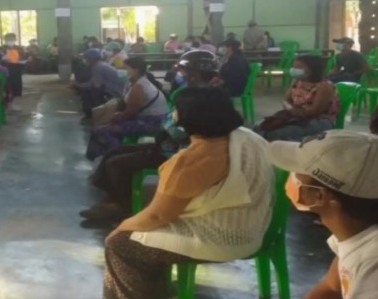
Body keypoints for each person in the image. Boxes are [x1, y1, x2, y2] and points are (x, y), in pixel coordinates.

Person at [102, 86, 274, 299]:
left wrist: (119, 228)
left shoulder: (192, 161)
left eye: (176, 110)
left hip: (221, 239)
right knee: (143, 241)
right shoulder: (248, 137)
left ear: (187, 118)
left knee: (120, 245)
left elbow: (156, 216)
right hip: (254, 228)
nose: (172, 114)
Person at [267, 130, 378, 299]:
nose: (291, 176)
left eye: (296, 171)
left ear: (320, 196)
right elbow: (331, 288)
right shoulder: (359, 228)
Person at [85, 57, 168, 160]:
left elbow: (130, 113)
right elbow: (125, 104)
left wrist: (115, 118)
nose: (121, 71)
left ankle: (116, 155)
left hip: (152, 122)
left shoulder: (139, 86)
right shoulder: (130, 83)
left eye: (125, 68)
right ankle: (103, 157)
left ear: (136, 70)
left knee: (101, 131)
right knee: (106, 126)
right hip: (142, 118)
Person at [255, 55, 338, 142]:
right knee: (259, 127)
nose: (294, 70)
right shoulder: (297, 81)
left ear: (312, 69)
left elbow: (315, 111)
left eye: (299, 67)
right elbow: (286, 101)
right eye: (293, 67)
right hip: (296, 116)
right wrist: (292, 110)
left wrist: (295, 112)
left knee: (275, 134)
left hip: (319, 120)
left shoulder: (325, 86)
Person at [72, 49, 127, 120]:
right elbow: (93, 82)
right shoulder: (100, 65)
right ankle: (94, 112)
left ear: (91, 59)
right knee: (89, 90)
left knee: (92, 92)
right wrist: (79, 85)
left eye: (86, 58)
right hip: (119, 87)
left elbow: (96, 85)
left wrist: (79, 86)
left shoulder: (98, 67)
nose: (85, 60)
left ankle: (95, 113)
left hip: (119, 90)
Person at [0, 33, 26, 101]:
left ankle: (16, 96)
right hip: (6, 67)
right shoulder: (1, 49)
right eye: (7, 40)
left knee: (16, 83)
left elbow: (23, 57)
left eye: (11, 39)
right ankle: (7, 96)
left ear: (15, 39)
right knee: (7, 83)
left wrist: (21, 60)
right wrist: (2, 58)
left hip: (17, 67)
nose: (9, 41)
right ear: (5, 40)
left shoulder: (19, 48)